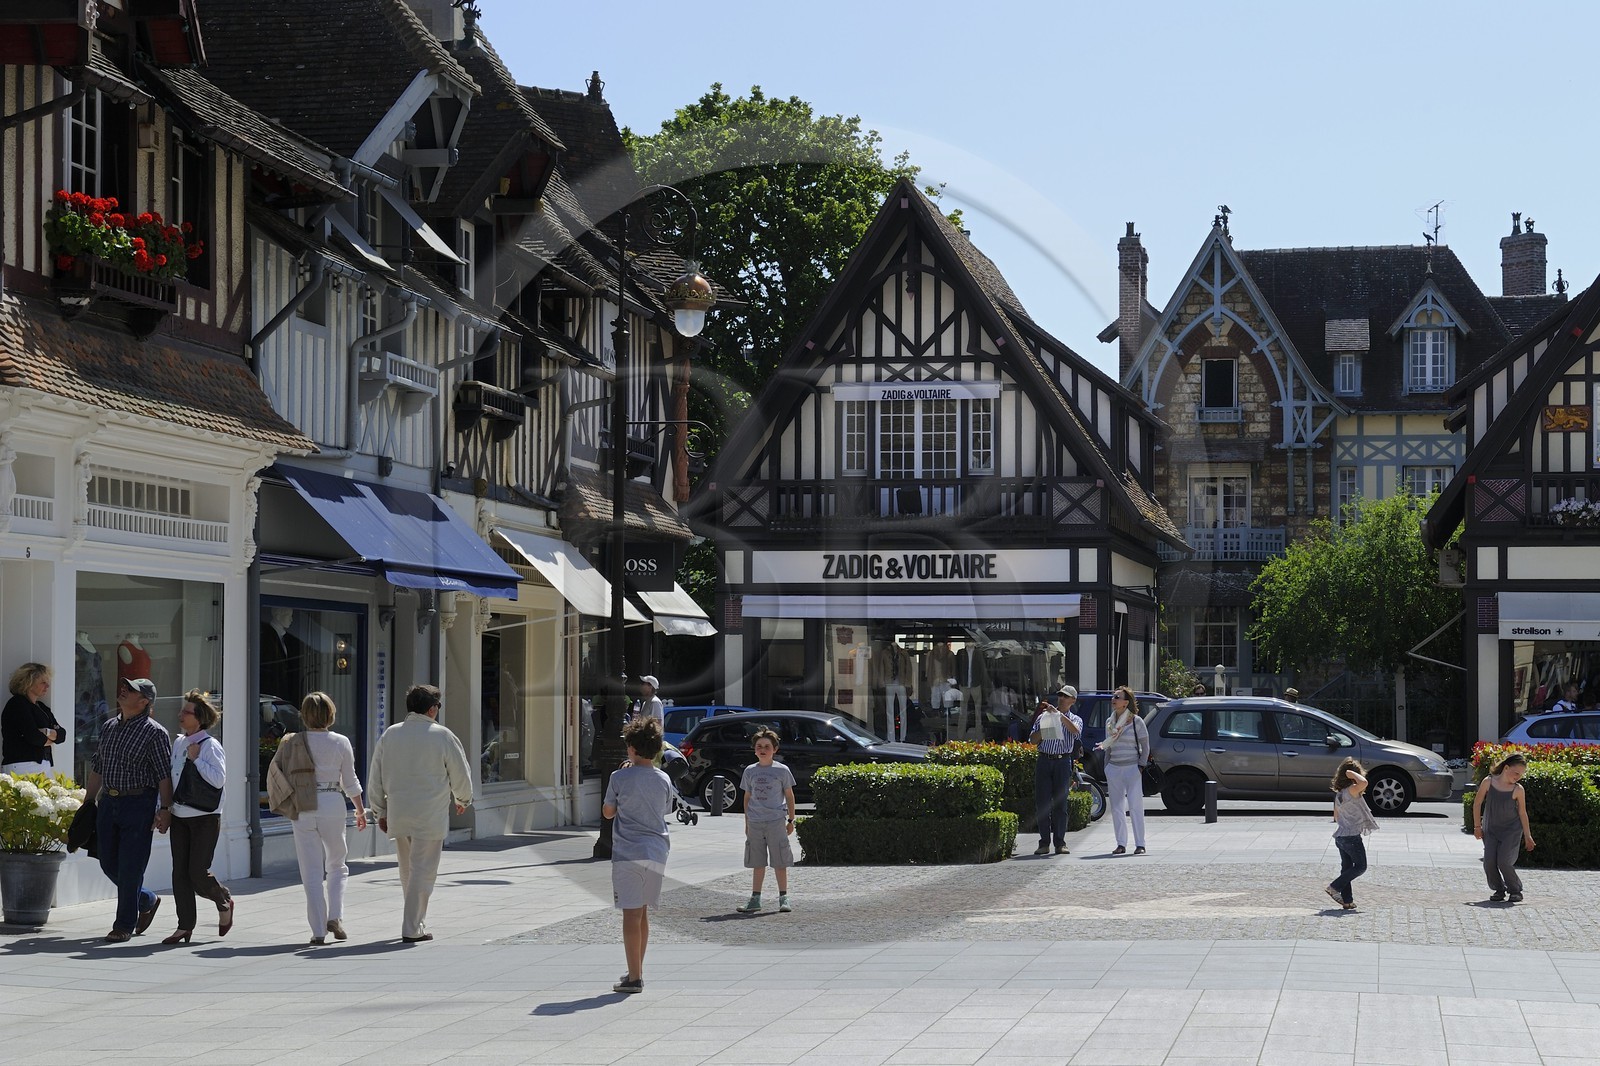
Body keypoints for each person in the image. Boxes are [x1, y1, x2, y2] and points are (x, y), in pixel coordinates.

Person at [367, 684, 471, 943]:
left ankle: (414, 920)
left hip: (399, 811)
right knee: (423, 870)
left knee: (407, 869)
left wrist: (379, 809)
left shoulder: (390, 735)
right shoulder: (442, 736)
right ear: (432, 708)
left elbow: (376, 776)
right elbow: (460, 772)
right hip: (429, 813)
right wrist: (463, 799)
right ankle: (412, 927)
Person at [85, 677, 173, 942]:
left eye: (131, 690)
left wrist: (165, 808)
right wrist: (88, 801)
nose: (123, 691)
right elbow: (98, 766)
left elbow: (164, 775)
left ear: (144, 701)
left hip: (138, 803)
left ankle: (124, 924)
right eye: (124, 687)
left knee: (131, 866)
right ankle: (146, 899)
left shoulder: (155, 732)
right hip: (108, 803)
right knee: (106, 861)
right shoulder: (109, 726)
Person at [277, 692, 366, 945]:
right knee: (338, 864)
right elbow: (350, 781)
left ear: (304, 715)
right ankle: (335, 916)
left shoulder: (293, 742)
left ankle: (318, 931)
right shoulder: (340, 742)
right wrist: (360, 810)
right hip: (332, 802)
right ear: (330, 714)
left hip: (303, 805)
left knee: (311, 871)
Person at [602, 716, 674, 994]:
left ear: (631, 747)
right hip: (657, 850)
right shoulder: (664, 778)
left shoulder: (619, 777)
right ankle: (636, 970)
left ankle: (634, 978)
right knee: (643, 913)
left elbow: (608, 812)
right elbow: (665, 810)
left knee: (630, 914)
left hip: (627, 852)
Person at [163, 690, 233, 944]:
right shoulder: (179, 741)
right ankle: (184, 926)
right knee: (179, 872)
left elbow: (218, 779)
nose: (181, 714)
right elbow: (173, 778)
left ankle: (223, 899)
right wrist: (164, 808)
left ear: (200, 718)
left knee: (197, 871)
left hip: (205, 816)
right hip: (180, 814)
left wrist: (197, 760)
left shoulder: (210, 746)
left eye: (187, 712)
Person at [734, 727, 796, 914]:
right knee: (757, 861)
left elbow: (789, 795)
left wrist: (791, 820)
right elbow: (747, 797)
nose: (763, 749)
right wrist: (747, 821)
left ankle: (783, 897)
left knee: (780, 860)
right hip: (755, 822)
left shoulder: (782, 771)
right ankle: (755, 898)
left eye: (767, 746)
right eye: (759, 746)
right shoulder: (750, 771)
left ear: (774, 749)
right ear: (755, 750)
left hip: (776, 821)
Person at [1473, 752, 1536, 903]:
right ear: (1506, 767)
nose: (1518, 777)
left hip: (1511, 831)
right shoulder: (1488, 782)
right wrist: (1477, 826)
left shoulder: (1518, 789)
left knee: (1504, 861)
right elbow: (1477, 804)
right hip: (1491, 829)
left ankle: (1515, 890)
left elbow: (1522, 813)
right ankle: (1498, 889)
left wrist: (1528, 836)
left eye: (1521, 774)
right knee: (1489, 862)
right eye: (1516, 773)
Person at [1097, 685, 1150, 856]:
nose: (1113, 699)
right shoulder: (1109, 722)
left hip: (1132, 768)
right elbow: (1108, 746)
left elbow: (1145, 745)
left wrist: (1141, 766)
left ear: (1125, 703)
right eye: (1113, 697)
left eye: (1117, 697)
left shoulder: (1136, 721)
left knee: (1135, 806)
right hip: (1114, 768)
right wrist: (1107, 767)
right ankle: (1121, 843)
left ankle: (1140, 844)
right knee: (1117, 807)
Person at [1029, 686, 1082, 856]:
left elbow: (1075, 731)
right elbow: (1032, 740)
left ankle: (1060, 842)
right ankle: (1044, 842)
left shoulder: (1075, 718)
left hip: (1062, 761)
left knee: (1061, 804)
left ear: (1073, 700)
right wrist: (1047, 726)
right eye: (1060, 695)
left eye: (1065, 696)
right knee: (1042, 803)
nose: (1061, 698)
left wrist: (1059, 716)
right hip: (1044, 760)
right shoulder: (1044, 716)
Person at [1325, 757, 1378, 910]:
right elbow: (1364, 783)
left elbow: (1336, 817)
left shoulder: (1340, 794)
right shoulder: (1352, 790)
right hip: (1351, 837)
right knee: (1361, 867)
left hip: (1341, 836)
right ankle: (1334, 887)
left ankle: (1347, 901)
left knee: (1347, 869)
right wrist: (1351, 772)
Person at [2, 662, 65, 774]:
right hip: (22, 764)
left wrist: (46, 731)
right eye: (43, 682)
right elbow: (33, 736)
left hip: (43, 763)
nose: (47, 686)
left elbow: (62, 735)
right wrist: (49, 738)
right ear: (29, 683)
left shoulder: (42, 707)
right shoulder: (17, 704)